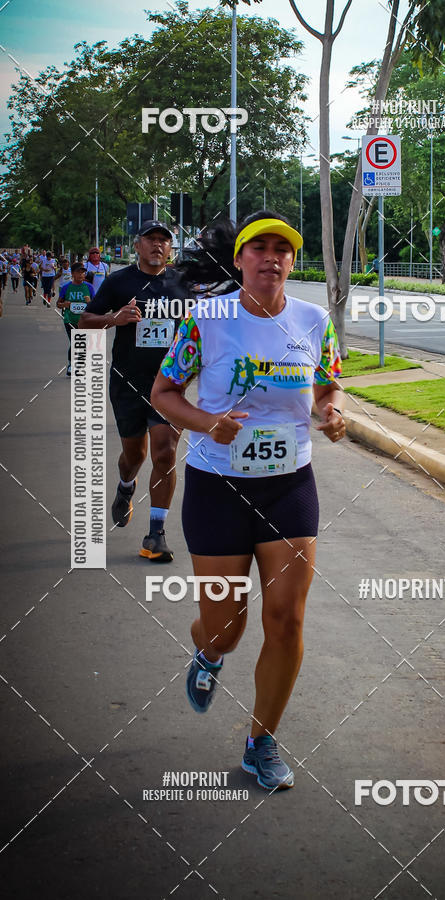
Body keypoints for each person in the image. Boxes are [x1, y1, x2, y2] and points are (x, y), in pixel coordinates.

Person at [151, 211, 345, 790]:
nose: (271, 257)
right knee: (225, 628)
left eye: (282, 249)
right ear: (239, 260)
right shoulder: (206, 319)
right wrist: (207, 423)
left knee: (286, 618)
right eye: (258, 248)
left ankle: (261, 742)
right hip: (218, 488)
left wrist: (331, 411)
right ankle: (208, 653)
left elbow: (328, 383)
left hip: (290, 486)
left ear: (292, 261)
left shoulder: (312, 320)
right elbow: (164, 392)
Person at [79, 221, 183, 562]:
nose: (157, 245)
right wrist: (115, 319)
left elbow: (202, 326)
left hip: (169, 385)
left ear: (170, 249)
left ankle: (156, 534)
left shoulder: (182, 284)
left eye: (164, 240)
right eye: (151, 239)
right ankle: (126, 486)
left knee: (165, 453)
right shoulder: (119, 282)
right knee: (134, 456)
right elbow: (84, 321)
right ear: (137, 246)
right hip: (127, 382)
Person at [56, 262, 95, 376]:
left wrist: (90, 302)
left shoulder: (89, 287)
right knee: (74, 342)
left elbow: (95, 305)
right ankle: (71, 365)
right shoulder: (66, 287)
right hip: (70, 319)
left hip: (84, 320)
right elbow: (58, 304)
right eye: (78, 272)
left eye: (83, 272)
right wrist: (64, 304)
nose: (81, 274)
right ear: (72, 273)